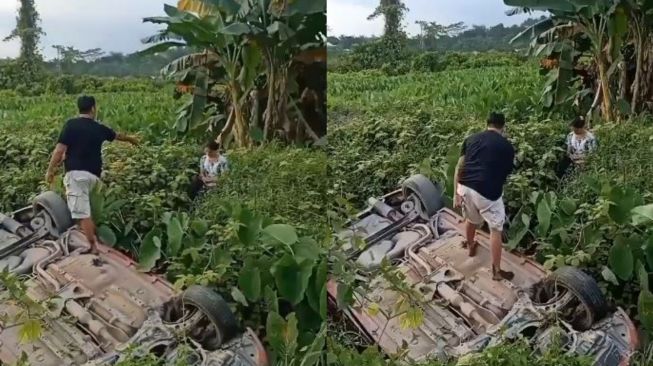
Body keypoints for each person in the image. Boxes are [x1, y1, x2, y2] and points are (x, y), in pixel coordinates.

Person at [45, 96, 139, 254]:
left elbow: (59, 150)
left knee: (83, 214)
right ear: (93, 109)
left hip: (76, 176)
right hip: (95, 177)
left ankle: (93, 247)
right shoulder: (98, 128)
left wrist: (50, 170)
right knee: (91, 212)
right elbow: (117, 136)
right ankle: (95, 237)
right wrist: (132, 140)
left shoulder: (71, 125)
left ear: (78, 108)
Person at [454, 112, 515, 281]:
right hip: (488, 193)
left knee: (471, 220)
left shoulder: (471, 139)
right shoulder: (507, 147)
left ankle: (471, 246)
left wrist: (455, 194)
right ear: (503, 126)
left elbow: (459, 167)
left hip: (465, 187)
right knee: (495, 229)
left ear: (486, 123)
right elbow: (507, 172)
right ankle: (496, 270)